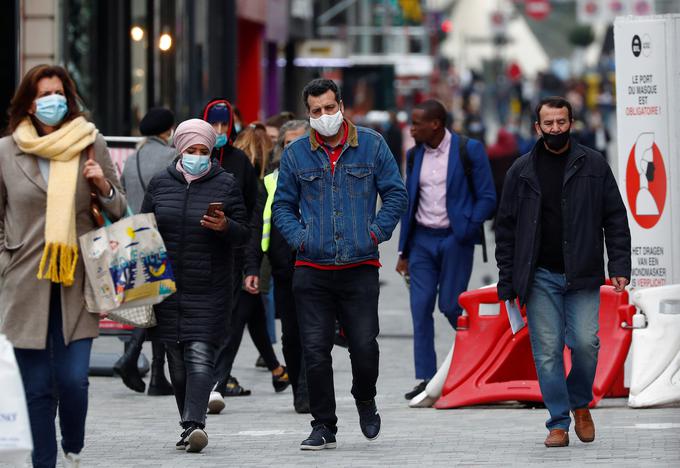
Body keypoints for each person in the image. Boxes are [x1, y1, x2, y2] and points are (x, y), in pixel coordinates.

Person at [0, 64, 127, 468]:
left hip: (79, 280)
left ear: (68, 99)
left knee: (73, 380)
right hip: (25, 282)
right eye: (43, 94)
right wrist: (5, 259)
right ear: (28, 103)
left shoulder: (91, 142)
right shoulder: (6, 151)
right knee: (36, 388)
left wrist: (102, 184)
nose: (52, 100)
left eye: (59, 93)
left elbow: (120, 207)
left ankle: (73, 439)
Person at [273, 78, 407, 450]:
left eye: (330, 108)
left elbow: (396, 194)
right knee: (314, 352)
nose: (324, 116)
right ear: (308, 113)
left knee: (364, 346)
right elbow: (282, 205)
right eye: (316, 111)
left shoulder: (372, 144)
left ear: (342, 106)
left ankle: (365, 397)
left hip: (359, 265)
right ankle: (323, 425)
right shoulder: (297, 154)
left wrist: (375, 233)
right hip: (312, 270)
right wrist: (301, 238)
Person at [495, 96, 631, 448]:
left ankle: (580, 402)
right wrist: (507, 280)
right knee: (548, 351)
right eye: (548, 124)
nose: (555, 129)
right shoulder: (520, 171)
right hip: (538, 275)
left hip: (583, 272)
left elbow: (615, 217)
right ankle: (558, 423)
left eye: (561, 122)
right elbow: (506, 229)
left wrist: (619, 265)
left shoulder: (595, 165)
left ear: (572, 123)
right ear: (536, 127)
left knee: (586, 344)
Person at [141, 118, 249, 453]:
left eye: (204, 150)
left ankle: (194, 424)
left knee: (200, 357)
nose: (198, 156)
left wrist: (225, 226)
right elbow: (143, 231)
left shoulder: (226, 184)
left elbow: (244, 232)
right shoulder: (160, 184)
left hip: (210, 287)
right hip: (168, 289)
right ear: (180, 149)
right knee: (177, 364)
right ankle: (189, 424)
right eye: (192, 150)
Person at [397, 99, 496, 401]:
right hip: (422, 242)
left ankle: (482, 354)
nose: (411, 129)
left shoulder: (470, 150)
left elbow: (488, 197)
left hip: (456, 239)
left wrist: (465, 228)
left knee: (451, 305)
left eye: (416, 123)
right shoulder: (414, 156)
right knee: (420, 307)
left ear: (435, 124)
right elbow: (408, 203)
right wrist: (403, 252)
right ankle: (427, 378)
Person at [205, 123, 290, 414]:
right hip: (250, 253)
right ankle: (223, 378)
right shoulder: (257, 168)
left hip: (250, 252)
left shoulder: (239, 160)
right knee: (243, 313)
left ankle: (275, 370)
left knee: (248, 311)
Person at [115, 106, 176, 396]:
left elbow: (124, 198)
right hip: (166, 236)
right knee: (162, 304)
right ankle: (133, 361)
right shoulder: (171, 156)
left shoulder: (131, 159)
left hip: (138, 237)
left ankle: (154, 375)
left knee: (153, 302)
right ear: (168, 131)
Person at [201, 98, 259, 399]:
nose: (220, 130)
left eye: (225, 124)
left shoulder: (240, 162)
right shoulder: (191, 158)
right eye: (214, 124)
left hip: (232, 255)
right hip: (197, 254)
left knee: (229, 320)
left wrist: (250, 260)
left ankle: (217, 380)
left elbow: (251, 211)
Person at [257, 119, 311, 413]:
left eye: (298, 142)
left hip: (317, 264)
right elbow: (262, 223)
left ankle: (310, 387)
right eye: (287, 143)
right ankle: (299, 391)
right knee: (291, 334)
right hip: (284, 267)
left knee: (314, 332)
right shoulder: (269, 180)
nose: (292, 148)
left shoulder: (321, 175)